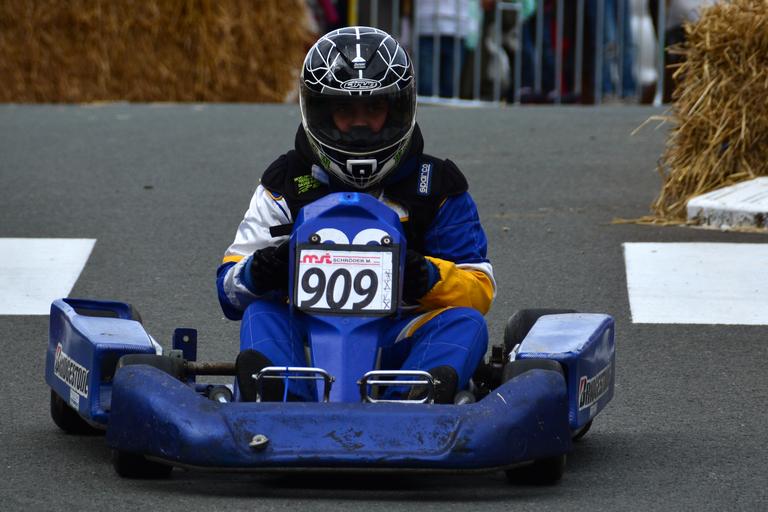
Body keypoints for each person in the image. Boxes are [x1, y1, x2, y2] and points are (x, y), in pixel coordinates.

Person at [216, 26, 495, 404]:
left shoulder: (435, 185)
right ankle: (285, 402)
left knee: (466, 323)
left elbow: (479, 288)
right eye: (345, 110)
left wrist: (426, 275)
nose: (360, 124)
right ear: (320, 112)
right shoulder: (285, 181)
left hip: (398, 337)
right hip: (307, 340)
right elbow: (228, 291)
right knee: (261, 314)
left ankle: (410, 403)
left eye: (374, 109)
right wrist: (262, 269)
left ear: (398, 109)